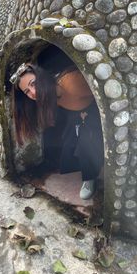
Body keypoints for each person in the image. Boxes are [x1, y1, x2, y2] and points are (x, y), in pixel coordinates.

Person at [10, 62, 103, 199]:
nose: (33, 93)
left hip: (96, 112)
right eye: (27, 92)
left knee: (87, 140)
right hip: (79, 113)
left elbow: (106, 94)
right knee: (67, 140)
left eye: (33, 83)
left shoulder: (73, 83)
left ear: (42, 77)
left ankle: (89, 177)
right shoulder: (48, 95)